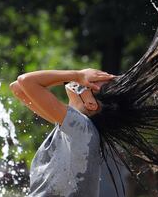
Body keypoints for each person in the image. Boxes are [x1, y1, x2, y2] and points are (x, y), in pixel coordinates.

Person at [10, 68, 115, 197]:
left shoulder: (82, 128)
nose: (85, 80)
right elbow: (18, 88)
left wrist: (77, 75)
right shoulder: (74, 129)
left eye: (90, 83)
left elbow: (26, 81)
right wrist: (74, 78)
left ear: (91, 104)